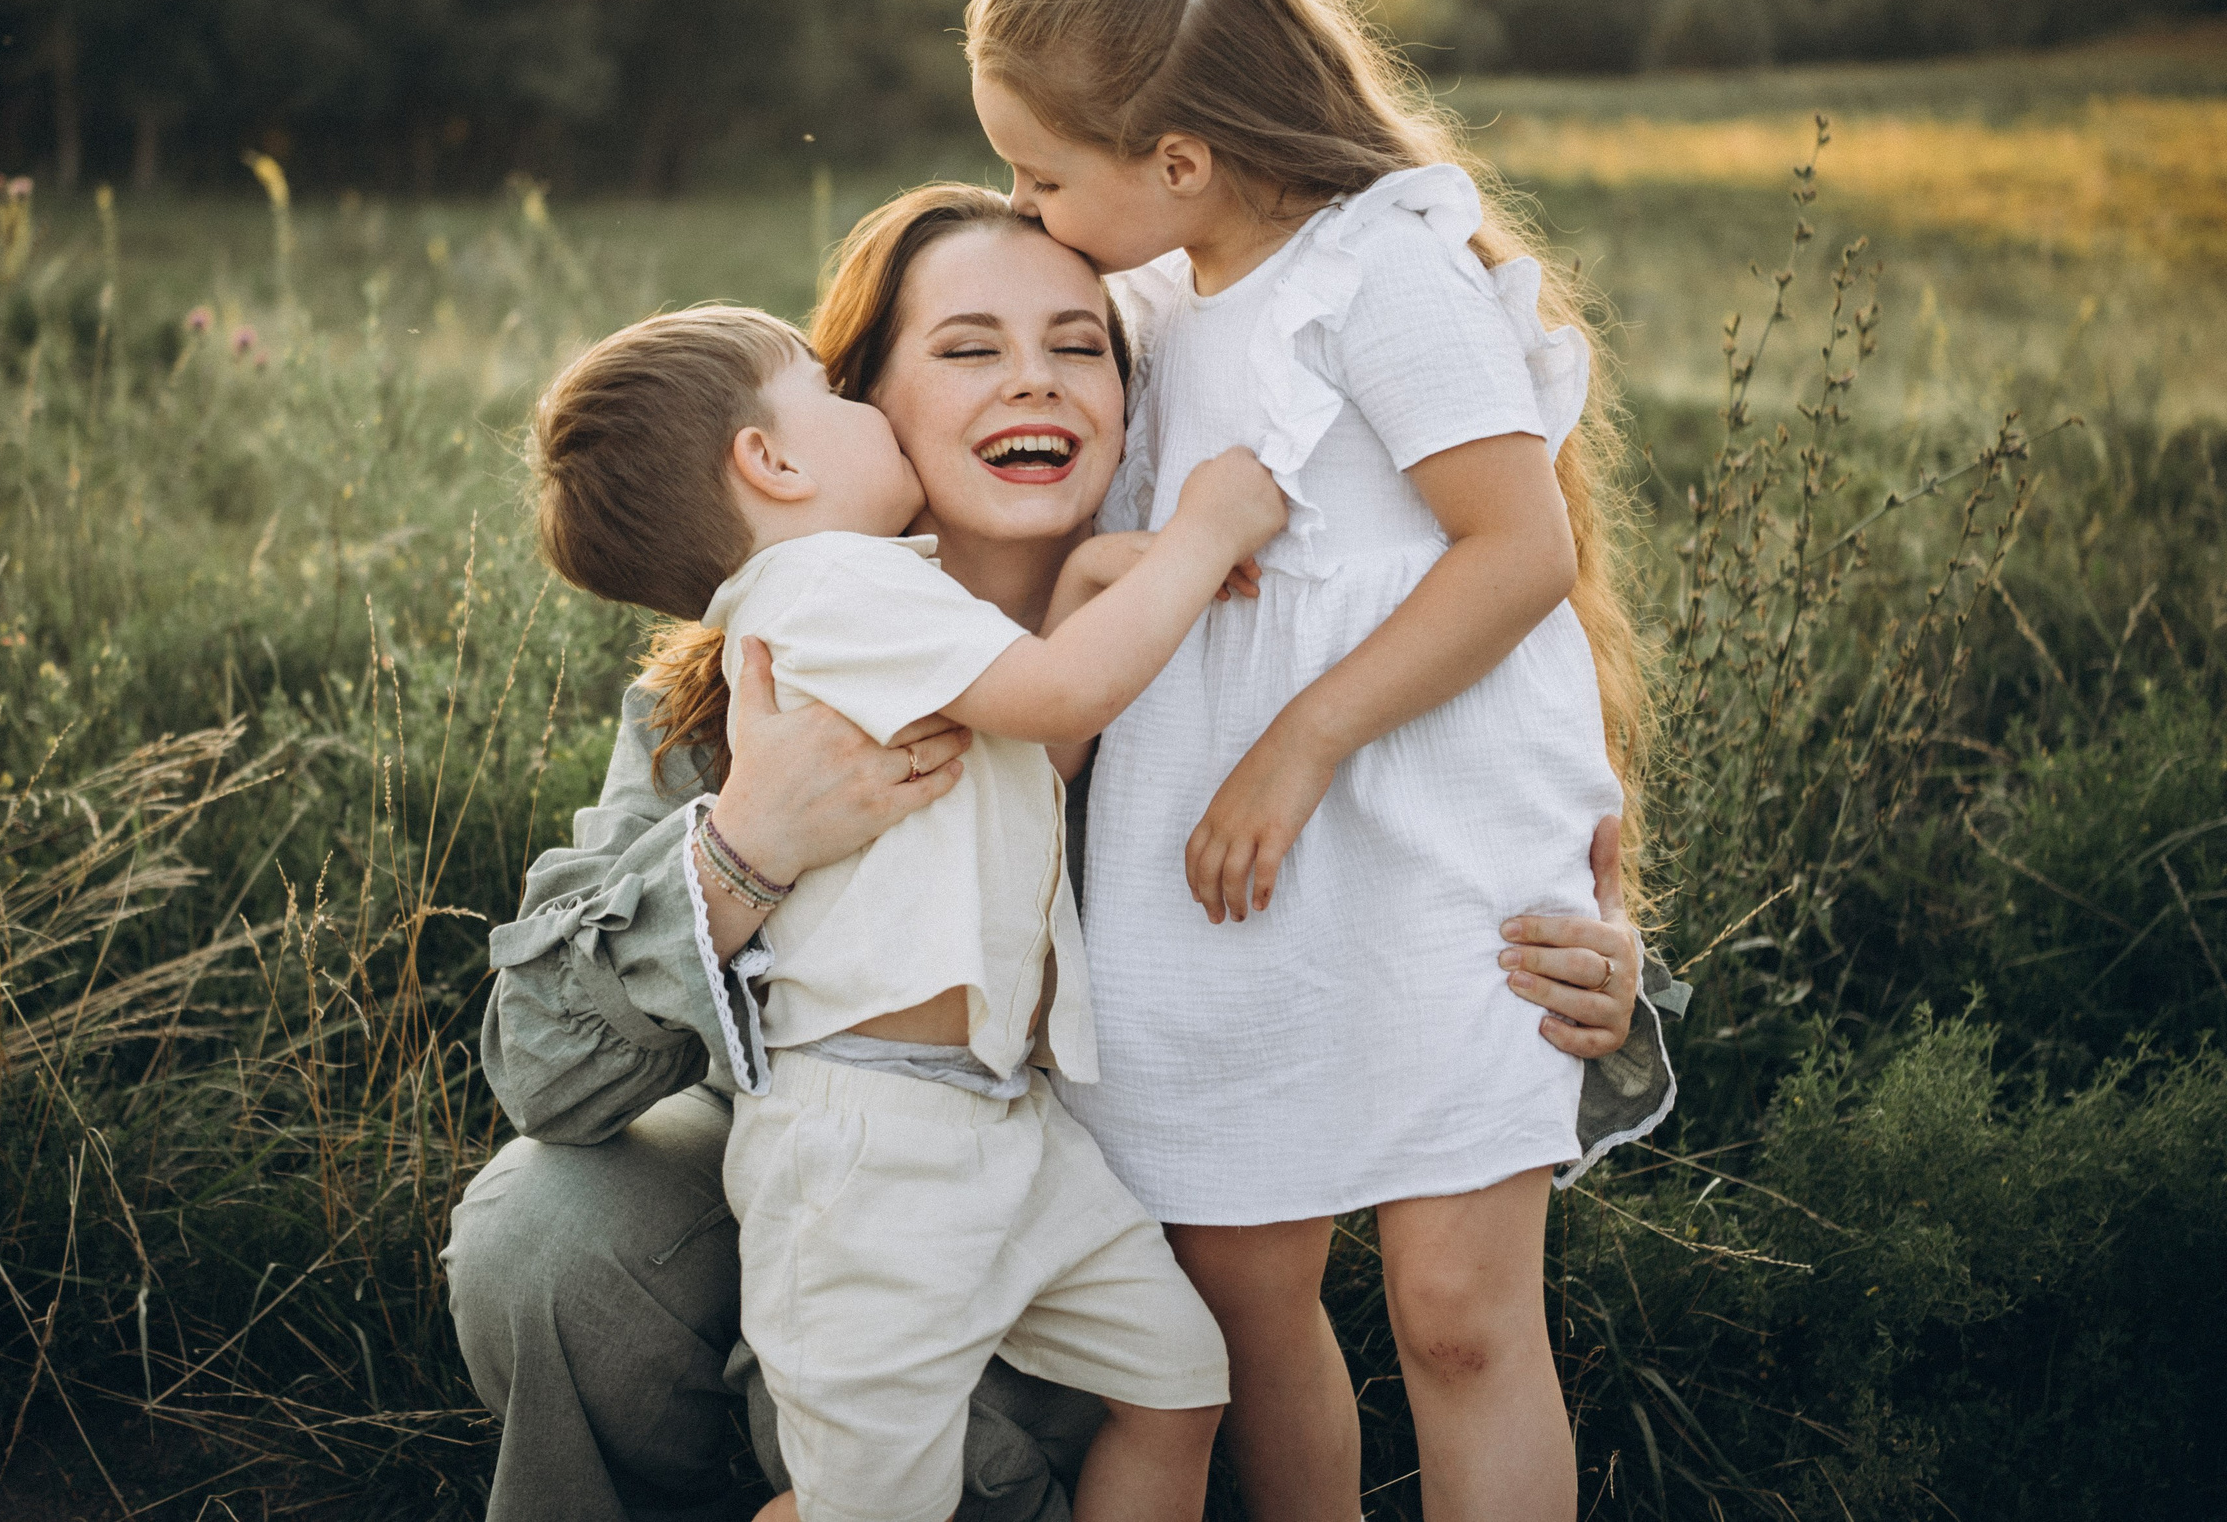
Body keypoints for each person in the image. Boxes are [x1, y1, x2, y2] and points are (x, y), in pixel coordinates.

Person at [441, 184, 1684, 1522]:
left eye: (1080, 346)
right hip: (834, 1144)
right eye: (967, 348)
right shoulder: (758, 672)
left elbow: (1427, 868)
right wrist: (747, 845)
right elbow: (540, 1064)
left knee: (1052, 1389)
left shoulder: (1228, 649)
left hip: (1070, 1201)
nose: (1032, 380)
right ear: (865, 403)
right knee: (543, 1235)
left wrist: (1604, 970)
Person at [961, 0, 1672, 1521]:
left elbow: (1520, 549)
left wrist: (1301, 738)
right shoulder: (1145, 313)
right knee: (1240, 1300)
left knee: (1459, 1309)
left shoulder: (1378, 271)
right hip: (1211, 874)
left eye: (1042, 174)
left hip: (1435, 837)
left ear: (1180, 161)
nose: (1023, 208)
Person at [524, 302, 1288, 1521]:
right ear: (771, 461)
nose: (1026, 381)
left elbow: (1021, 767)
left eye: (1074, 344)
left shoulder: (875, 596)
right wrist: (1204, 534)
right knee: (875, 1503)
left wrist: (1083, 584)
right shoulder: (829, 586)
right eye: (837, 391)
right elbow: (1059, 696)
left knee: (1178, 1381)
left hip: (997, 1120)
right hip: (874, 1138)